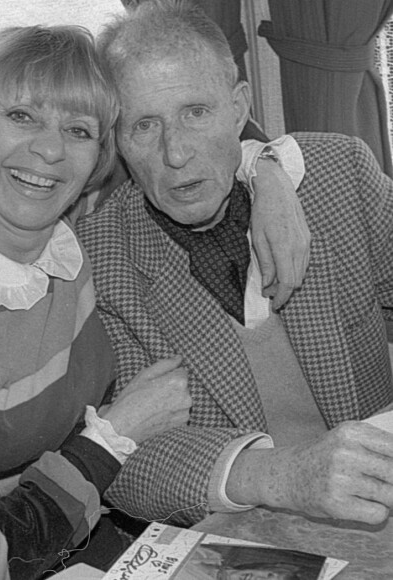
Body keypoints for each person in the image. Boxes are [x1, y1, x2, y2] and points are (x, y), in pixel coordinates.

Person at [0, 22, 307, 580]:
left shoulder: (59, 225)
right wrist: (114, 435)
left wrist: (267, 173)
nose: (50, 149)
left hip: (83, 548)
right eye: (21, 116)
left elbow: (191, 138)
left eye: (78, 130)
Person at [76, 0, 393, 529]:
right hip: (244, 535)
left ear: (238, 105)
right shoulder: (101, 260)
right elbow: (124, 466)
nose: (176, 153)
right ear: (116, 142)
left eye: (196, 113)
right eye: (143, 126)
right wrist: (282, 476)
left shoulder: (340, 176)